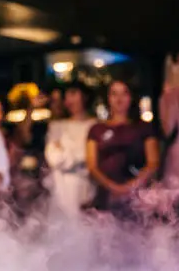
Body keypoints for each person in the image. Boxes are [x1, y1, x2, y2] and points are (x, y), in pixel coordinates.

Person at [86, 80, 159, 215]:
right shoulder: (96, 129)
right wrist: (113, 188)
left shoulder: (144, 127)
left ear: (131, 97)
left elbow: (153, 163)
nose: (119, 99)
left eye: (124, 93)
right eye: (114, 94)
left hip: (138, 196)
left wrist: (129, 187)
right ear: (108, 98)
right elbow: (92, 166)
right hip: (105, 197)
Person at [45, 82, 96, 218]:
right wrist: (77, 158)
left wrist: (66, 153)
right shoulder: (56, 126)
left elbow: (91, 159)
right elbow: (54, 158)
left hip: (87, 191)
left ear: (84, 96)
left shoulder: (95, 126)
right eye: (66, 97)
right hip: (61, 193)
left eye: (73, 94)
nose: (69, 101)